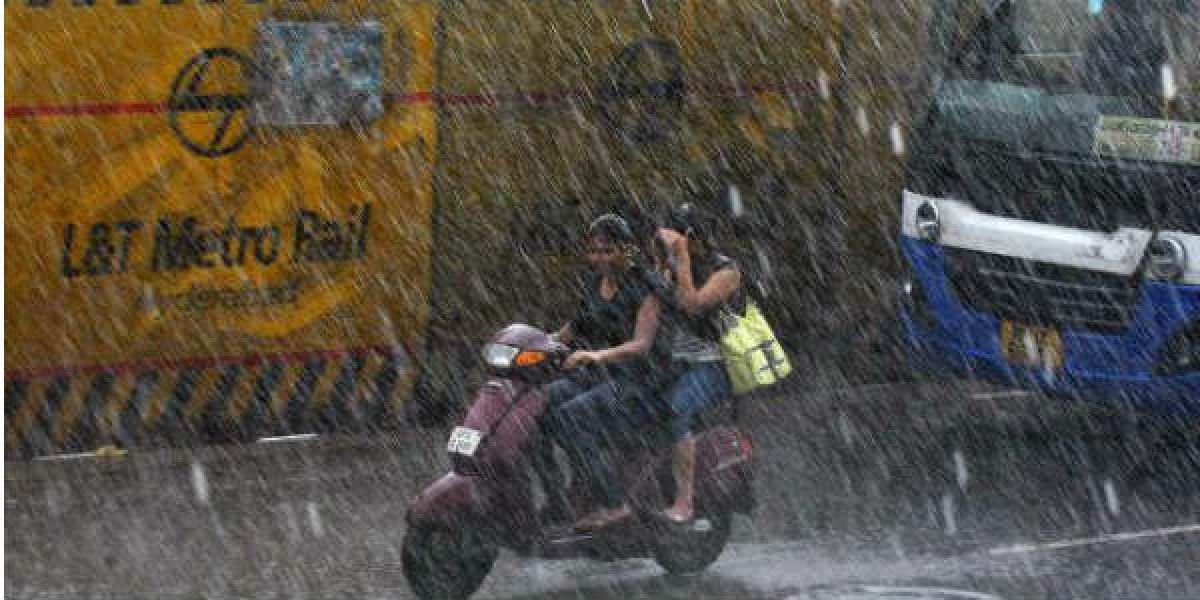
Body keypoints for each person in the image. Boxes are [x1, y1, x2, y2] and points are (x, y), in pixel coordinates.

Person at [536, 213, 668, 530]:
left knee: (572, 416)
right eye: (595, 251)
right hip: (597, 376)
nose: (600, 258)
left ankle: (613, 503)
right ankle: (559, 499)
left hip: (637, 381)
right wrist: (539, 344)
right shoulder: (594, 284)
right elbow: (574, 327)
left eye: (608, 251)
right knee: (535, 407)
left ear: (626, 250)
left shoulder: (646, 286)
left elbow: (641, 345)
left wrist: (595, 356)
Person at [654, 202, 743, 524]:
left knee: (679, 409)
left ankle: (685, 501)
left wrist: (681, 257)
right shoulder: (671, 265)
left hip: (714, 365)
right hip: (676, 362)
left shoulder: (726, 272)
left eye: (675, 236)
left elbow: (691, 305)